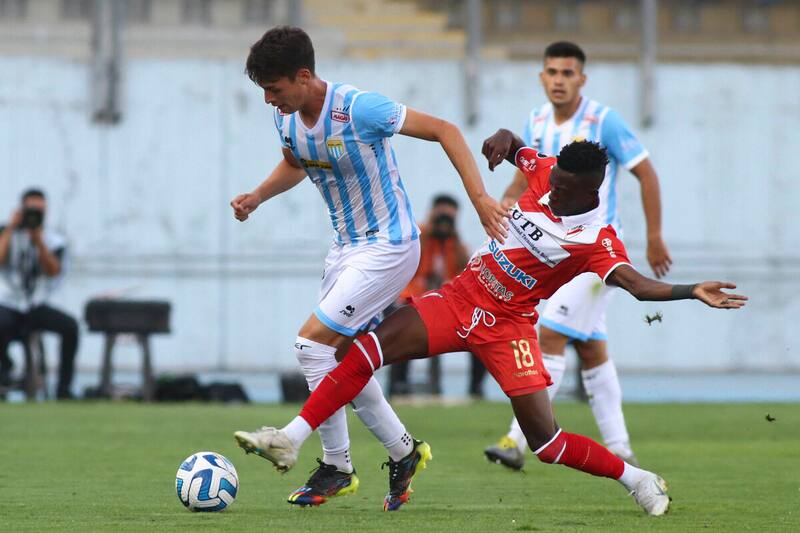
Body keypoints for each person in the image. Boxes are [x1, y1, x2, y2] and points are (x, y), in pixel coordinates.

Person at [234, 134, 746, 516]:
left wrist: (690, 291)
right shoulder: (547, 172)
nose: (551, 193)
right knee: (361, 351)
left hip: (509, 328)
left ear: (591, 189)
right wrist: (502, 143)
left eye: (564, 189)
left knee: (544, 443)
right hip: (460, 299)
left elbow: (635, 285)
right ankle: (292, 437)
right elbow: (519, 149)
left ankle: (637, 479)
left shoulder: (596, 238)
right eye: (553, 182)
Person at [229, 27, 507, 510]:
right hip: (344, 251)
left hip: (390, 246)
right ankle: (403, 452)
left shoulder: (358, 108)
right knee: (337, 360)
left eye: (275, 89)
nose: (270, 101)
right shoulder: (288, 118)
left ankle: (336, 465)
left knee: (310, 347)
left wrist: (480, 199)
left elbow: (446, 130)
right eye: (265, 93)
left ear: (304, 75)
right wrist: (258, 195)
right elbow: (297, 162)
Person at [485, 41, 672, 470]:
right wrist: (500, 214)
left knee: (549, 336)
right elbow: (523, 179)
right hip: (552, 256)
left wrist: (655, 236)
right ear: (542, 77)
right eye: (552, 72)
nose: (559, 80)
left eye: (568, 73)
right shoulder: (534, 120)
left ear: (581, 80)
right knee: (591, 349)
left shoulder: (604, 121)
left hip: (594, 255)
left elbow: (645, 172)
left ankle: (516, 442)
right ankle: (621, 448)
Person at [389, 194, 487, 398]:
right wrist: (430, 229)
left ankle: (475, 388)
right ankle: (398, 385)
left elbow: (464, 271)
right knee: (398, 327)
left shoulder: (456, 244)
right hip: (411, 300)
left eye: (449, 217)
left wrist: (454, 235)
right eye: (441, 216)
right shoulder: (418, 236)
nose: (444, 222)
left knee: (481, 330)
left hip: (444, 304)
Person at [0, 188, 79, 399]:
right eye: (30, 210)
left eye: (39, 210)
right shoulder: (5, 232)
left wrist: (38, 240)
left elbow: (54, 270)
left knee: (70, 327)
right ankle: (4, 373)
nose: (33, 215)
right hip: (8, 303)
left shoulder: (53, 239)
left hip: (36, 305)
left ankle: (64, 389)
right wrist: (10, 229)